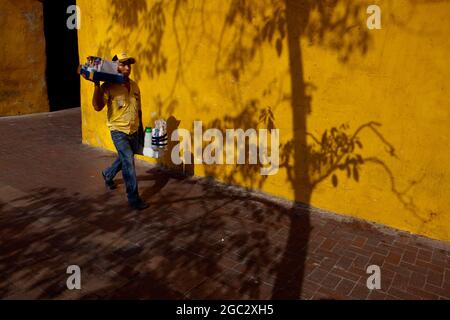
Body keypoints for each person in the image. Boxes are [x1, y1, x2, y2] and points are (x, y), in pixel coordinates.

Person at [90, 52, 149, 210]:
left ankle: (108, 174)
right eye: (123, 64)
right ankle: (134, 198)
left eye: (128, 64)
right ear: (114, 66)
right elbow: (97, 107)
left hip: (134, 129)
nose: (127, 68)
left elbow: (139, 110)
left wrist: (141, 130)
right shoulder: (108, 86)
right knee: (128, 159)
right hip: (118, 130)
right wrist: (96, 85)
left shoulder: (135, 85)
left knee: (126, 156)